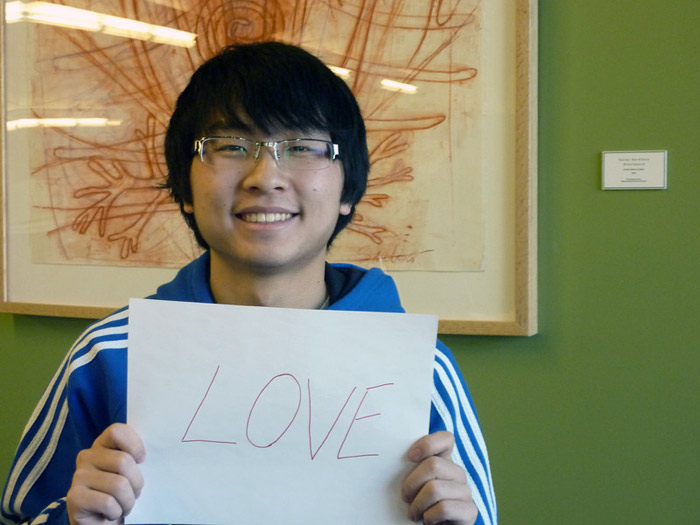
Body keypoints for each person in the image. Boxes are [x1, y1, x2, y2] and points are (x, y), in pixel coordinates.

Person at [1, 42, 497, 525]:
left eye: (302, 146)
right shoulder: (107, 354)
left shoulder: (421, 369)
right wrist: (74, 517)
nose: (265, 176)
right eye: (232, 146)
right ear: (185, 188)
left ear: (348, 188)